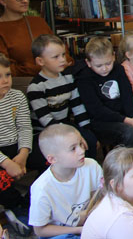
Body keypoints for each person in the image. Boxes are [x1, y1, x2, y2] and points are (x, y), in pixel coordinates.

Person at [76, 37, 133, 153]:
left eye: (108, 63)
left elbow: (128, 96)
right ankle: (127, 162)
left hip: (124, 116)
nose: (104, 69)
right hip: (101, 121)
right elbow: (96, 110)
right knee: (128, 131)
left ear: (113, 56)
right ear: (88, 63)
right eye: (99, 66)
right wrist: (126, 120)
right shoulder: (84, 78)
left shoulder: (119, 70)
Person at [26, 34, 96, 171]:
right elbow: (46, 120)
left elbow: (77, 106)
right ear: (40, 61)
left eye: (63, 55)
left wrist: (86, 129)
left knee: (89, 139)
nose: (63, 59)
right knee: (68, 146)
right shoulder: (36, 87)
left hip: (65, 124)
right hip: (45, 131)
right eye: (56, 57)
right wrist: (74, 134)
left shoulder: (68, 78)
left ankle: (87, 173)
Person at [28, 124, 103, 238]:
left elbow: (99, 197)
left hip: (89, 223)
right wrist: (80, 230)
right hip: (60, 234)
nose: (81, 150)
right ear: (52, 159)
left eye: (80, 144)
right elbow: (40, 230)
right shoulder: (42, 188)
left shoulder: (91, 166)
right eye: (73, 148)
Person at [0, 0, 62, 77]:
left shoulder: (38, 22)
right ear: (3, 0)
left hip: (54, 79)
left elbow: (62, 52)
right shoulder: (2, 29)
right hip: (21, 83)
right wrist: (46, 67)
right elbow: (6, 68)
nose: (25, 0)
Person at [0, 54, 32, 230]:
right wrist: (6, 163)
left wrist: (23, 154)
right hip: (1, 155)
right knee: (2, 179)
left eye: (8, 75)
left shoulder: (17, 96)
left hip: (17, 147)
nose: (5, 80)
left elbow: (24, 127)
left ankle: (33, 197)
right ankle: (16, 205)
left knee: (53, 156)